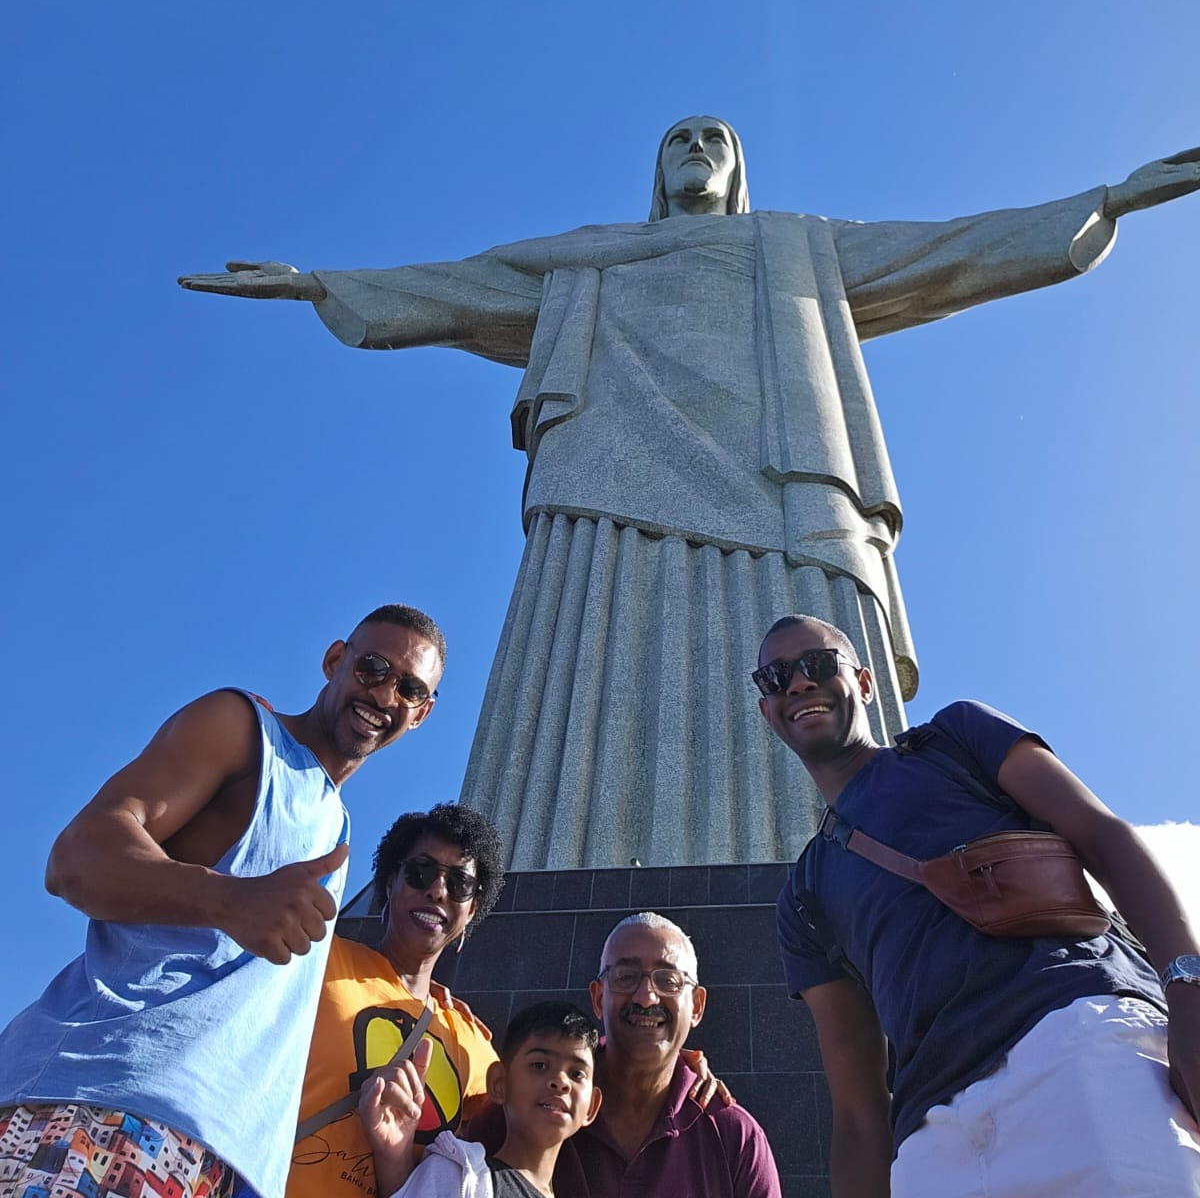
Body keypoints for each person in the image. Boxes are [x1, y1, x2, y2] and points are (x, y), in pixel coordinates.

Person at [179, 127, 1200, 870]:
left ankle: (838, 873)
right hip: (601, 495)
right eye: (679, 139)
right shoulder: (589, 253)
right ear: (657, 170)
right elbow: (465, 282)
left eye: (714, 138)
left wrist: (1102, 201)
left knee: (800, 669)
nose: (696, 148)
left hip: (782, 484)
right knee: (592, 670)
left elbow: (945, 250)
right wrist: (322, 284)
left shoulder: (795, 246)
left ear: (738, 166)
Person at [0, 603, 446, 1198]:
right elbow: (76, 858)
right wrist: (230, 900)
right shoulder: (242, 729)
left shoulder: (334, 820)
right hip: (104, 1104)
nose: (385, 694)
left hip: (212, 1158)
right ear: (335, 660)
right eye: (371, 668)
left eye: (409, 687)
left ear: (422, 713)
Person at [755, 611, 1200, 1196]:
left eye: (818, 665)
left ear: (864, 682)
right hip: (934, 1137)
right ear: (766, 710)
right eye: (777, 677)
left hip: (1073, 1041)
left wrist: (1188, 988)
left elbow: (1102, 834)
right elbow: (859, 1112)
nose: (798, 683)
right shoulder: (803, 897)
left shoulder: (955, 740)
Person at [290, 804, 505, 1198]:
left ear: (472, 909)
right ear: (390, 881)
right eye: (420, 871)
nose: (437, 890)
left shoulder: (474, 1045)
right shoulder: (317, 960)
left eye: (459, 883)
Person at [537, 912, 781, 1198]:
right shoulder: (536, 1108)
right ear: (598, 998)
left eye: (668, 980)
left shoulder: (735, 1137)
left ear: (697, 1006)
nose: (646, 997)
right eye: (626, 977)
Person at [361, 1002, 602, 1198]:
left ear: (591, 1106)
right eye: (539, 1065)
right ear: (499, 1084)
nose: (560, 1081)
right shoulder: (459, 1174)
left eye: (577, 1073)